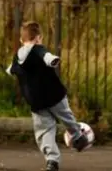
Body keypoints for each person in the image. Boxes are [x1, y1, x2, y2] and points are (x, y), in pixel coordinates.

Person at [6, 21, 89, 171]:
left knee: (44, 131)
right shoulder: (39, 50)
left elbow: (12, 69)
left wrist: (10, 70)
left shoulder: (17, 56)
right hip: (54, 95)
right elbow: (47, 56)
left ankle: (52, 161)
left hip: (36, 102)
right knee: (66, 117)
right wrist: (53, 60)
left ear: (21, 40)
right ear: (39, 38)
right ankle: (78, 137)